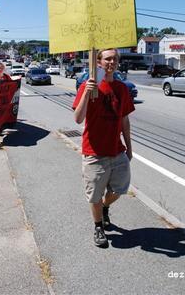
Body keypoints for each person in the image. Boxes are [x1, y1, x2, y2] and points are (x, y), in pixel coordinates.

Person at [73, 48, 135, 247]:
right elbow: (78, 118)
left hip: (117, 150)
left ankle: (105, 207)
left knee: (120, 189)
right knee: (94, 195)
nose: (112, 62)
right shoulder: (87, 86)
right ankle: (98, 226)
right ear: (98, 62)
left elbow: (124, 119)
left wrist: (129, 147)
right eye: (108, 59)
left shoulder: (122, 88)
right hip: (94, 152)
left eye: (115, 59)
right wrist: (87, 91)